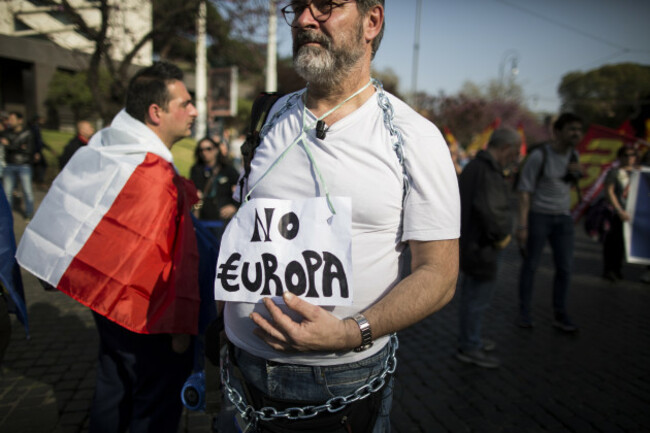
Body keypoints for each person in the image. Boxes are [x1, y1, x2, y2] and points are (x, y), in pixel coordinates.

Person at [215, 1, 460, 431]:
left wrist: (350, 333)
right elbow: (247, 216)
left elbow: (439, 274)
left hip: (341, 382)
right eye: (298, 8)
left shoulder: (415, 137)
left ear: (372, 21)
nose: (306, 20)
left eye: (325, 6)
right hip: (241, 366)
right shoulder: (268, 116)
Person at [16, 61, 200, 433]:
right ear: (156, 112)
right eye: (185, 103)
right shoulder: (155, 176)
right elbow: (172, 260)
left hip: (110, 307)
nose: (194, 110)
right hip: (148, 315)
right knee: (151, 398)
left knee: (113, 383)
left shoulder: (106, 147)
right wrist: (181, 327)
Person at [457, 128, 521, 368]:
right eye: (514, 151)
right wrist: (502, 235)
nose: (515, 157)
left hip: (474, 243)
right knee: (476, 299)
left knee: (472, 298)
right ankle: (470, 345)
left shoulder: (477, 167)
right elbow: (491, 211)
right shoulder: (487, 170)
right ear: (505, 147)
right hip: (481, 246)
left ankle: (470, 339)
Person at [516, 113, 584, 333]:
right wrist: (523, 225)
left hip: (563, 219)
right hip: (539, 216)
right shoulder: (539, 156)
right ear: (558, 131)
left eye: (579, 130)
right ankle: (524, 312)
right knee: (531, 265)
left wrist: (577, 176)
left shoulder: (574, 155)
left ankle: (560, 313)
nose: (577, 134)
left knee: (565, 268)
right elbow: (524, 191)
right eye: (572, 129)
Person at [602, 146, 638, 281]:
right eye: (626, 155)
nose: (630, 158)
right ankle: (609, 269)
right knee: (612, 242)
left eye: (633, 155)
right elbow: (609, 192)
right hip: (616, 213)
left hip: (631, 214)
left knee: (623, 244)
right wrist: (618, 209)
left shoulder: (637, 172)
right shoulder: (615, 172)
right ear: (620, 157)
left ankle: (617, 268)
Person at [189, 136, 239, 226]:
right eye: (201, 150)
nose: (205, 152)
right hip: (202, 219)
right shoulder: (196, 170)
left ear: (216, 150)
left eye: (208, 149)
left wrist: (234, 207)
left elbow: (242, 191)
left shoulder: (228, 170)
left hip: (223, 220)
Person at [1, 112, 35, 219]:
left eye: (12, 119)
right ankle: (6, 215)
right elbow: (4, 147)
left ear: (20, 120)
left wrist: (10, 146)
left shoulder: (28, 133)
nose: (10, 121)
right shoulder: (6, 133)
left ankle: (29, 214)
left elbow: (29, 150)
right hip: (9, 165)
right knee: (7, 193)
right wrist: (20, 147)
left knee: (27, 191)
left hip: (24, 165)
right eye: (9, 119)